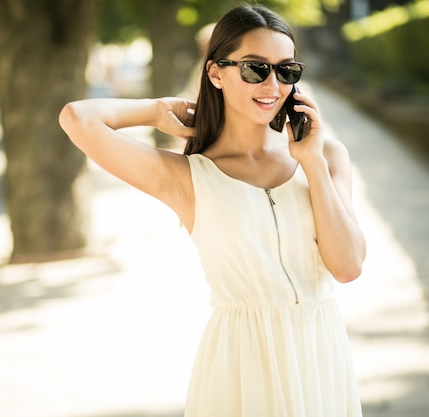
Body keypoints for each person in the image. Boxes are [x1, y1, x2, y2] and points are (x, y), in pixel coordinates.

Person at [59, 4, 366, 417]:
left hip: (321, 353)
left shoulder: (326, 156)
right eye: (256, 69)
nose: (273, 84)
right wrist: (154, 110)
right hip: (242, 364)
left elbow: (347, 267)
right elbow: (77, 117)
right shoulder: (188, 176)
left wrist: (311, 163)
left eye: (287, 70)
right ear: (215, 72)